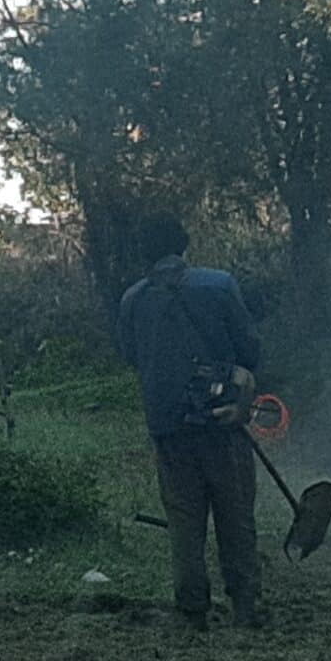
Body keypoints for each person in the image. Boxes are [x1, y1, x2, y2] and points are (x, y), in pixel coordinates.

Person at [116, 213, 265, 629]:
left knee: (184, 522)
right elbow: (249, 349)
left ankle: (192, 610)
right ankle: (245, 605)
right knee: (235, 515)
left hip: (168, 430)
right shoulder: (218, 285)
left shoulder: (132, 300)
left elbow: (131, 357)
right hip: (222, 422)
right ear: (183, 246)